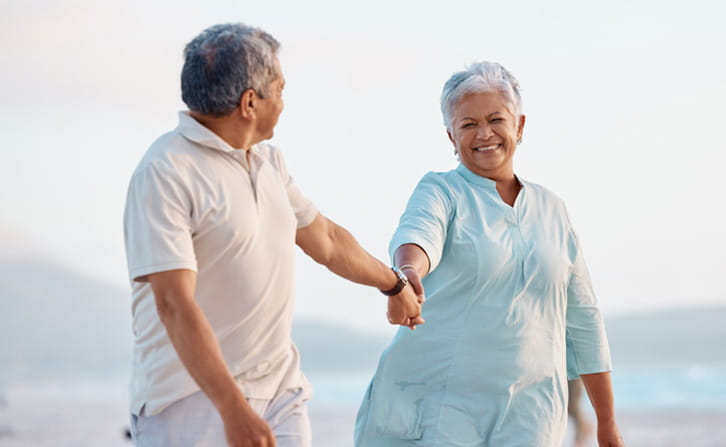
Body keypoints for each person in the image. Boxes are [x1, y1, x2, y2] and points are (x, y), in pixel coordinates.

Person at [123, 23, 423, 447]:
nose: (283, 102)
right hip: (190, 402)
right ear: (250, 102)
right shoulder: (166, 172)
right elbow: (173, 303)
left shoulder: (268, 163)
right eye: (279, 90)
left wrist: (393, 284)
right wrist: (232, 408)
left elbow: (328, 241)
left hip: (280, 392)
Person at [354, 61, 625, 447]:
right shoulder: (441, 191)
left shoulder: (553, 210)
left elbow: (583, 318)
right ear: (451, 135)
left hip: (531, 415)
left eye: (496, 119)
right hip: (438, 407)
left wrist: (607, 422)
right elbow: (418, 234)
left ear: (520, 125)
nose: (484, 134)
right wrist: (407, 272)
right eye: (467, 125)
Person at [568, 378, 595, 447]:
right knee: (572, 408)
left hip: (574, 377)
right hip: (570, 377)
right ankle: (585, 429)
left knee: (573, 407)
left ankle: (579, 438)